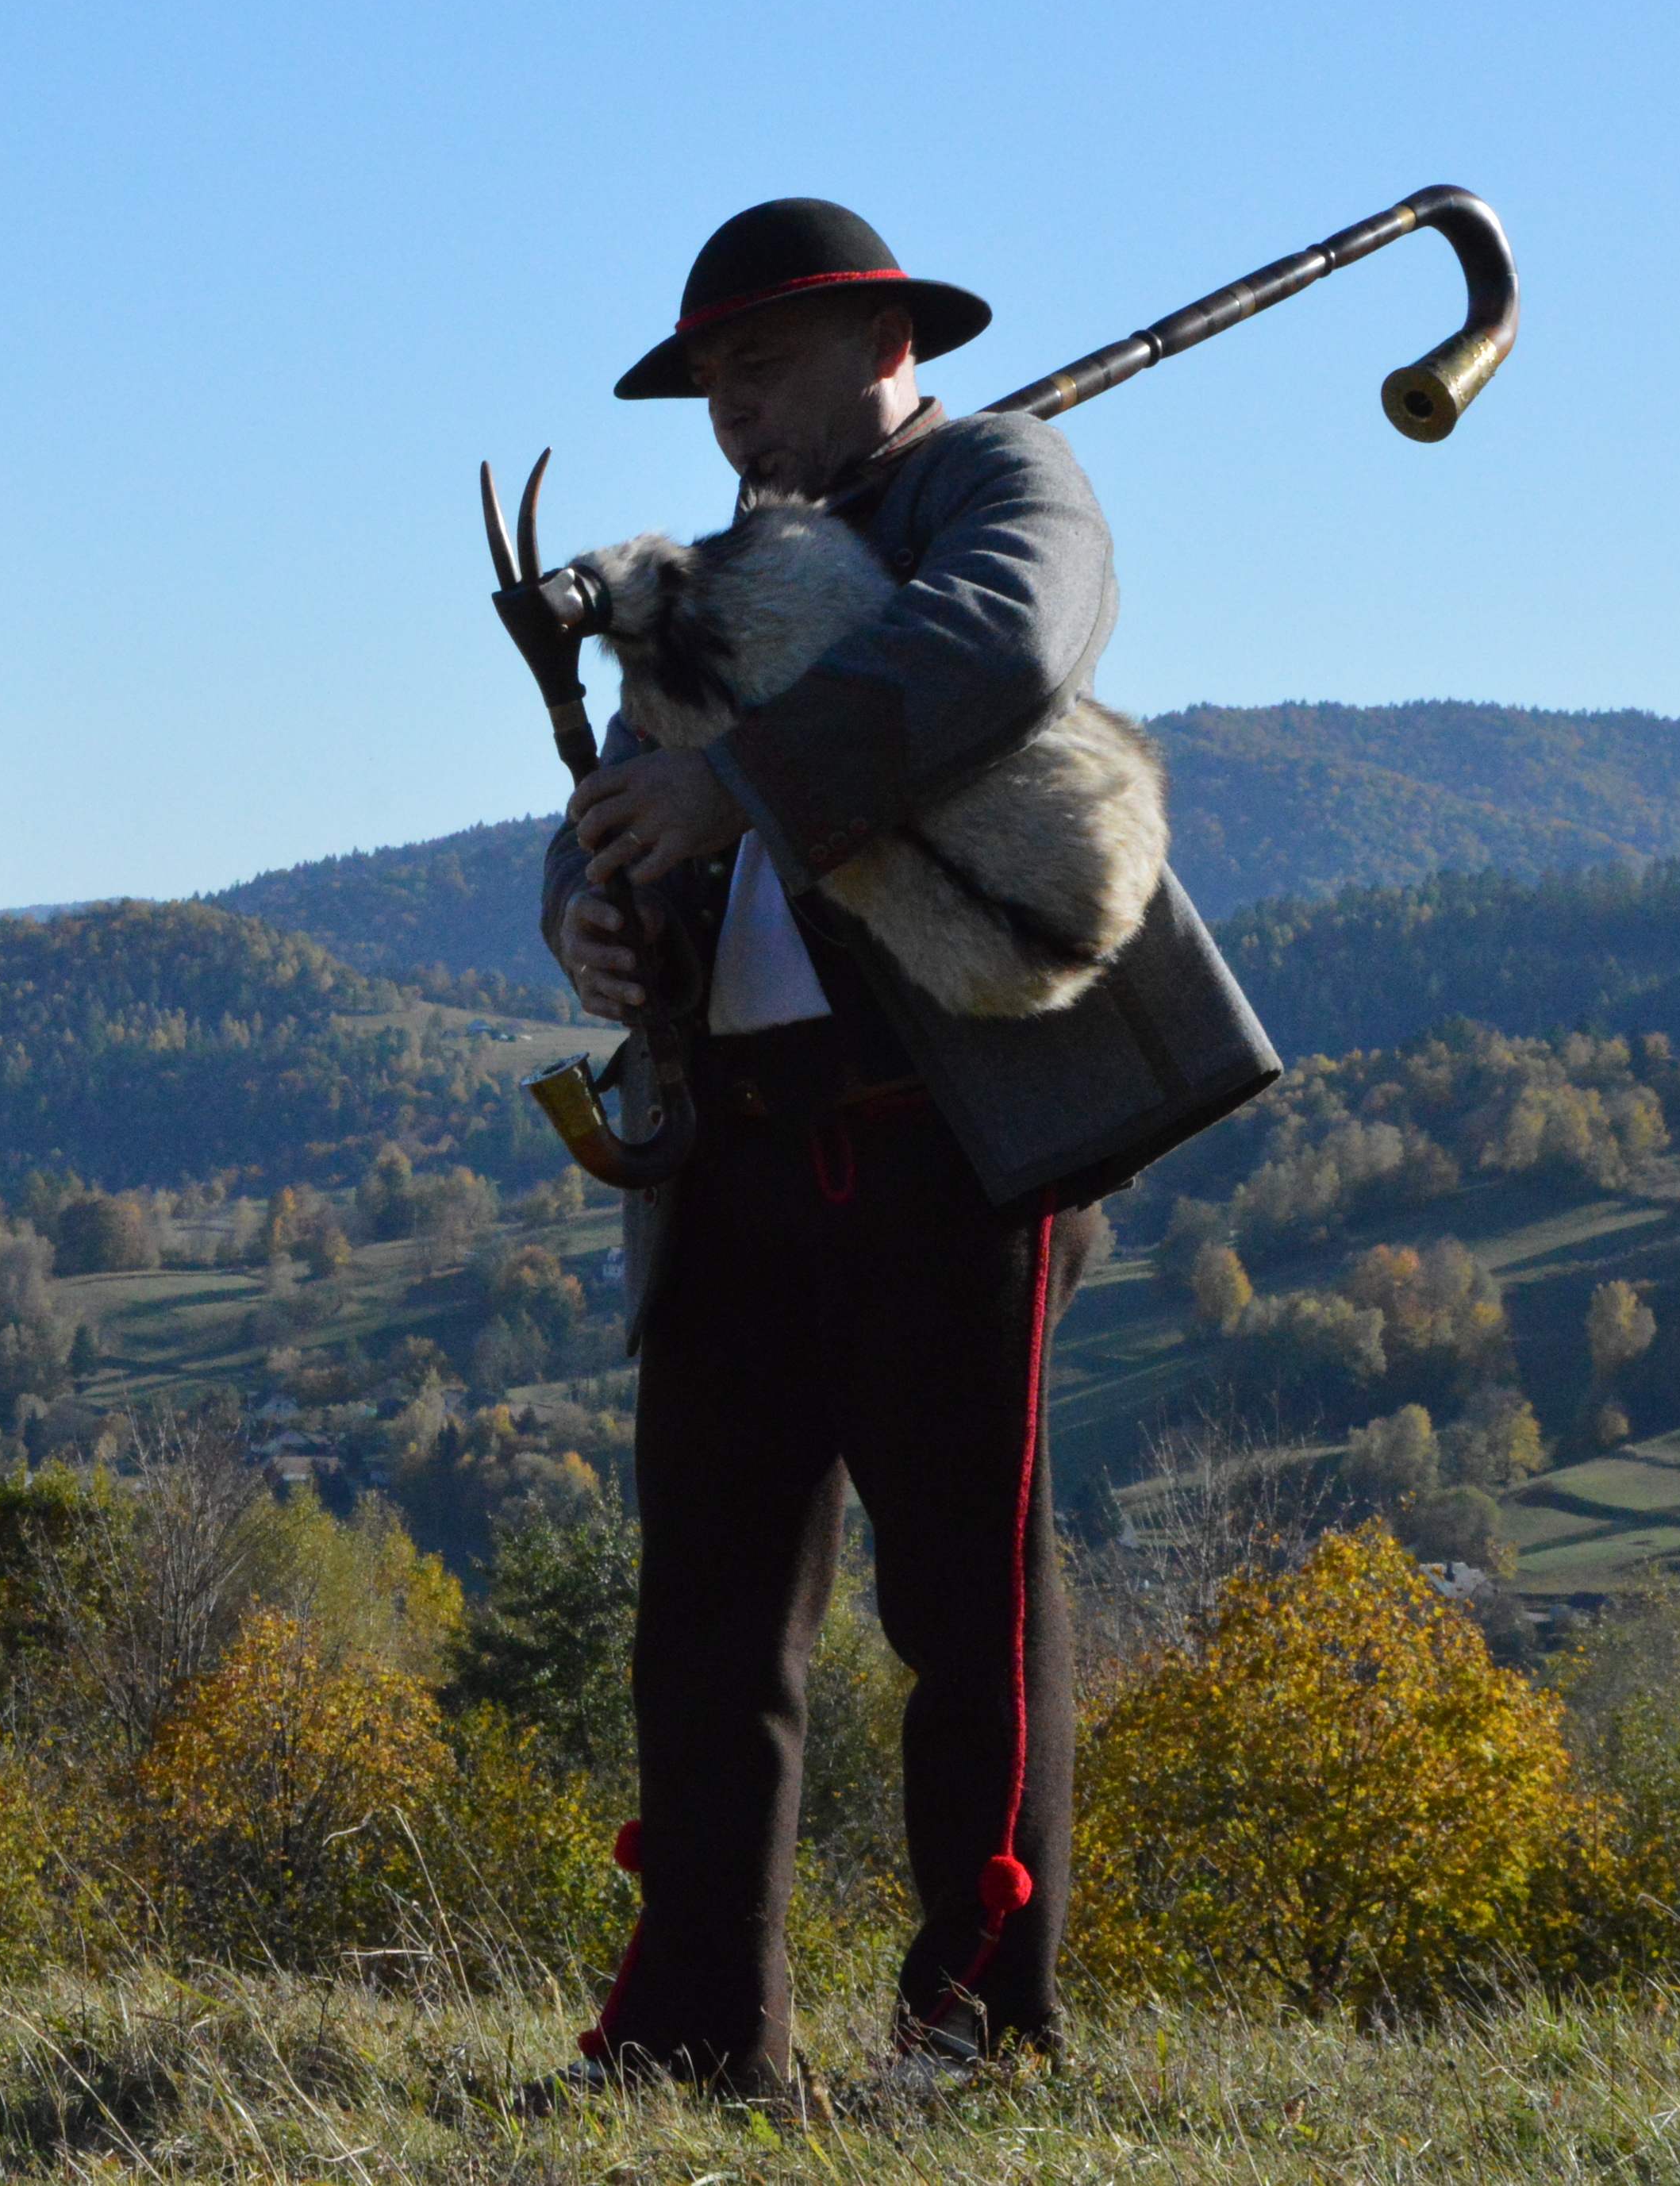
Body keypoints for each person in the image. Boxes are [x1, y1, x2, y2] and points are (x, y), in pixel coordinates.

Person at [536, 201, 1277, 2104]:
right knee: (707, 1635)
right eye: (708, 382)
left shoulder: (1000, 478)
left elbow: (1002, 642)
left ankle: (977, 2024)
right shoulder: (718, 576)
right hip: (734, 1159)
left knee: (967, 1610)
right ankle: (700, 2034)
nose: (729, 415)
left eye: (757, 368)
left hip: (953, 1149)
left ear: (883, 339)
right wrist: (587, 911)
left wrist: (730, 786)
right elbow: (624, 794)